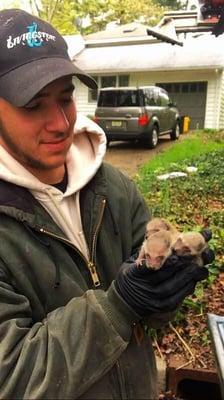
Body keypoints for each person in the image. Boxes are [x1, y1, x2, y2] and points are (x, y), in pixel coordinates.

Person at [0, 8, 212, 400]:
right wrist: (118, 306)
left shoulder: (112, 187)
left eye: (66, 98)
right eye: (34, 105)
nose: (61, 123)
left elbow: (152, 313)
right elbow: (11, 377)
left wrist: (165, 289)